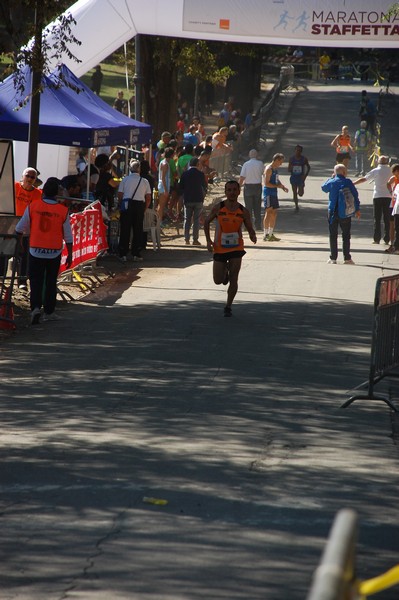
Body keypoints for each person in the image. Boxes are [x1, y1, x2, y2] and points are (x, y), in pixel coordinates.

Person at [15, 177, 73, 324]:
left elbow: (19, 229)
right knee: (51, 281)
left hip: (35, 249)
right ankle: (49, 311)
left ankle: (35, 308)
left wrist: (20, 243)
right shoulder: (63, 210)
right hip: (54, 251)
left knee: (35, 281)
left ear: (43, 191)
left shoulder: (33, 206)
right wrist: (70, 254)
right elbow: (68, 236)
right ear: (56, 194)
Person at [204, 180, 256, 317]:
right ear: (225, 192)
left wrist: (252, 235)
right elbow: (206, 222)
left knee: (234, 278)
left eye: (234, 190)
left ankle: (228, 306)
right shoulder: (218, 208)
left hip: (236, 248)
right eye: (229, 190)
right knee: (217, 280)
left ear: (239, 192)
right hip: (220, 248)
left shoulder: (243, 211)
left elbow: (250, 227)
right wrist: (209, 241)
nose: (232, 192)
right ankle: (224, 271)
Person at [322, 164, 360, 265]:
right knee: (346, 235)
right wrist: (357, 209)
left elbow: (324, 188)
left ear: (335, 172)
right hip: (346, 212)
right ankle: (347, 258)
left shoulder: (332, 181)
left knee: (333, 235)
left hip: (333, 212)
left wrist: (331, 178)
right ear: (344, 172)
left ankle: (333, 258)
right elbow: (355, 195)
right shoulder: (348, 182)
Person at [117, 159, 151, 262]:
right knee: (138, 230)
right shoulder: (144, 181)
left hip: (127, 205)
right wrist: (144, 208)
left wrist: (121, 204)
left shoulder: (125, 180)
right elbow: (148, 197)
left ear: (130, 169)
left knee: (125, 230)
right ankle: (136, 253)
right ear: (139, 169)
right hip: (140, 205)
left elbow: (120, 195)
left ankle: (123, 253)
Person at [14, 167, 43, 290]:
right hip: (10, 224)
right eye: (28, 176)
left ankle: (22, 281)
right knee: (4, 252)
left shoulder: (38, 194)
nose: (30, 179)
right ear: (22, 176)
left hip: (26, 227)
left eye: (33, 177)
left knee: (24, 254)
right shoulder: (14, 186)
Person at [353, 156, 391, 246]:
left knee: (377, 218)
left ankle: (376, 239)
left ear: (378, 161)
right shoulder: (391, 170)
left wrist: (353, 183)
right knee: (387, 218)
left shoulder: (375, 171)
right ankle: (387, 238)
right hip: (389, 196)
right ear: (387, 162)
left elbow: (364, 179)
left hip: (377, 196)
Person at [179, 157, 207, 246]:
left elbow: (181, 187)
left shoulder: (184, 174)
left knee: (187, 219)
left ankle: (186, 239)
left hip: (188, 199)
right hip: (198, 199)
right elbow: (204, 187)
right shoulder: (201, 174)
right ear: (198, 164)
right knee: (196, 220)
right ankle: (195, 239)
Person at [262, 153, 288, 241]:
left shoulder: (275, 169)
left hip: (274, 193)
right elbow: (266, 183)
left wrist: (282, 186)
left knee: (274, 213)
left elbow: (277, 180)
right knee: (268, 212)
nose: (281, 164)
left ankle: (271, 233)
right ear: (276, 160)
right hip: (268, 193)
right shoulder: (269, 169)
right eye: (280, 162)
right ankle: (265, 234)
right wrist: (278, 186)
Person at [238, 149, 264, 231]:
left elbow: (242, 177)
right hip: (257, 186)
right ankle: (258, 225)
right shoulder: (260, 163)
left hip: (248, 186)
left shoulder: (246, 164)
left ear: (249, 155)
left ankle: (247, 225)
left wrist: (238, 186)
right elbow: (263, 173)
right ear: (256, 155)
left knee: (248, 207)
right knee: (257, 207)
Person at [287, 145, 311, 211]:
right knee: (294, 192)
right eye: (297, 150)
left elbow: (308, 167)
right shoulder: (291, 159)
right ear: (295, 151)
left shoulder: (304, 159)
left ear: (301, 151)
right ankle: (296, 206)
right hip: (293, 177)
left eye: (299, 151)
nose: (298, 152)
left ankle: (301, 188)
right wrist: (291, 168)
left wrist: (305, 176)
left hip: (301, 178)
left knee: (300, 194)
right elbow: (288, 169)